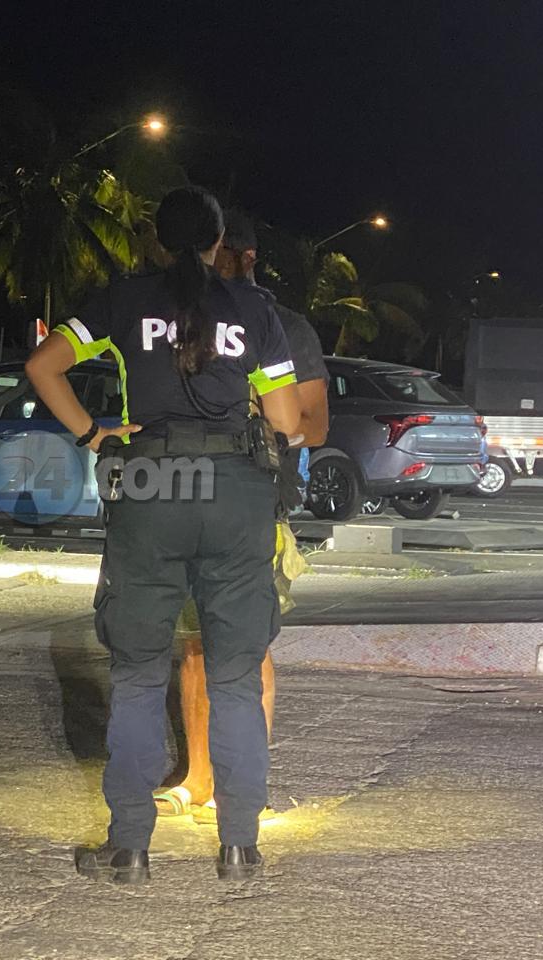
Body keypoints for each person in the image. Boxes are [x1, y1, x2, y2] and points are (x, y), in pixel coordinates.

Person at [26, 186, 302, 883]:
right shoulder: (254, 308)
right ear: (218, 242)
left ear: (155, 239)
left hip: (150, 486)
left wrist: (94, 434)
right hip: (235, 493)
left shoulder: (122, 299)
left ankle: (129, 847)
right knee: (235, 677)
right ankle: (240, 845)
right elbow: (287, 420)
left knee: (139, 675)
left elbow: (41, 366)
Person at [153, 207, 330, 826]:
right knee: (193, 647)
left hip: (256, 503)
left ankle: (242, 783)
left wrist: (255, 426)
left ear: (241, 257)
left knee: (246, 648)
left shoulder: (283, 325)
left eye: (217, 251)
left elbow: (313, 424)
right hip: (186, 500)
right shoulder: (183, 315)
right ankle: (197, 777)